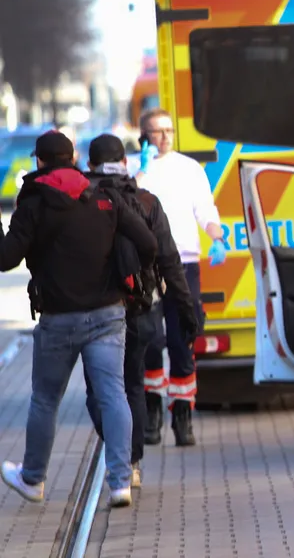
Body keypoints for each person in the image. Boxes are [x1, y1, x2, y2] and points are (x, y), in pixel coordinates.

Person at [0, 130, 157, 508]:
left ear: (39, 161)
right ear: (73, 159)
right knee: (113, 394)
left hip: (58, 319)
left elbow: (5, 260)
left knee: (45, 400)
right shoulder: (104, 197)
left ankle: (33, 479)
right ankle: (121, 481)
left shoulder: (32, 203)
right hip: (108, 314)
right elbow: (148, 244)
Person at [82, 134, 200, 488]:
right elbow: (170, 261)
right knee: (132, 383)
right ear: (125, 162)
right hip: (140, 309)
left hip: (94, 310)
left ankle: (121, 452)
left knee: (99, 391)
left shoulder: (79, 201)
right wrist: (187, 308)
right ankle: (131, 462)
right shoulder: (147, 201)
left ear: (90, 165)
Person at [134, 108, 224, 446]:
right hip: (147, 267)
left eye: (169, 130)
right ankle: (152, 411)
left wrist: (217, 237)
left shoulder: (189, 168)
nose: (165, 137)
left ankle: (183, 415)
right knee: (151, 340)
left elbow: (205, 209)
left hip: (184, 264)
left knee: (182, 339)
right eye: (157, 132)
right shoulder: (135, 169)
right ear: (144, 136)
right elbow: (125, 204)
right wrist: (140, 171)